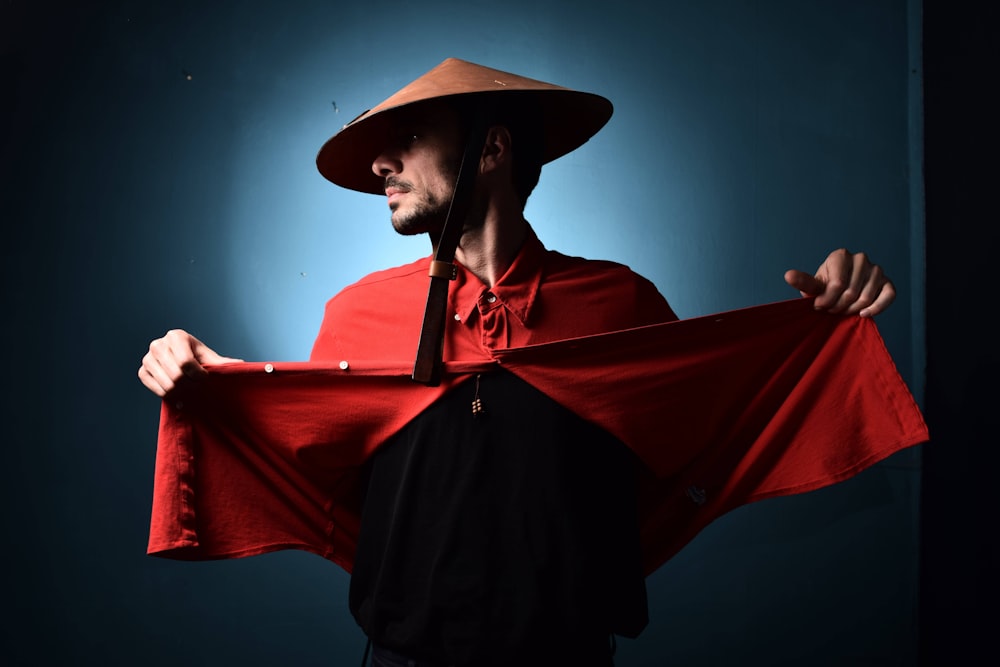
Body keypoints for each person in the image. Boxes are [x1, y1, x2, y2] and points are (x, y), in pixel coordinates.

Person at [139, 59, 899, 666]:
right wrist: (211, 379)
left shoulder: (619, 301)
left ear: (492, 149)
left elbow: (713, 430)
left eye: (408, 140)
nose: (380, 163)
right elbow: (312, 458)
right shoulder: (355, 312)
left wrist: (823, 325)